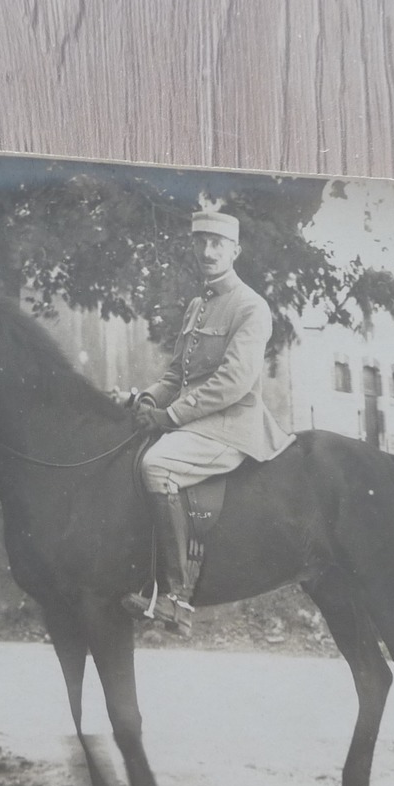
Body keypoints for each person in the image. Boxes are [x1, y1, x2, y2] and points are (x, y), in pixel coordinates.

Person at [121, 210, 295, 634]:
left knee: (155, 466)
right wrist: (147, 400)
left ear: (235, 251)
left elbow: (233, 382)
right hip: (195, 422)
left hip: (231, 424)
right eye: (200, 242)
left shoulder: (251, 306)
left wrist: (171, 415)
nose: (207, 251)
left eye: (217, 243)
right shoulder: (198, 306)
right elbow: (175, 375)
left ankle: (176, 597)